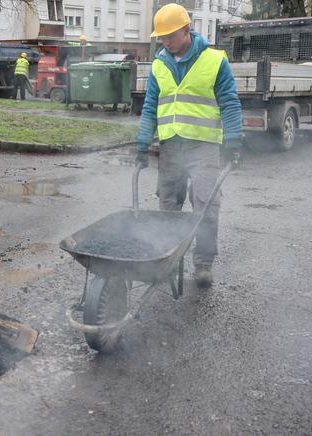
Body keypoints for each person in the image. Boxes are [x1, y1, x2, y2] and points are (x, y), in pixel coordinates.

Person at [135, 3, 242, 289]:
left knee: (206, 203)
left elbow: (230, 102)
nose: (165, 42)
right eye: (162, 37)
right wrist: (143, 142)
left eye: (170, 35)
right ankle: (167, 259)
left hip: (203, 146)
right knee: (168, 205)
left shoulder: (214, 61)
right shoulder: (159, 64)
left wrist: (233, 141)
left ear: (186, 29)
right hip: (171, 146)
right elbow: (150, 107)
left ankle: (203, 264)